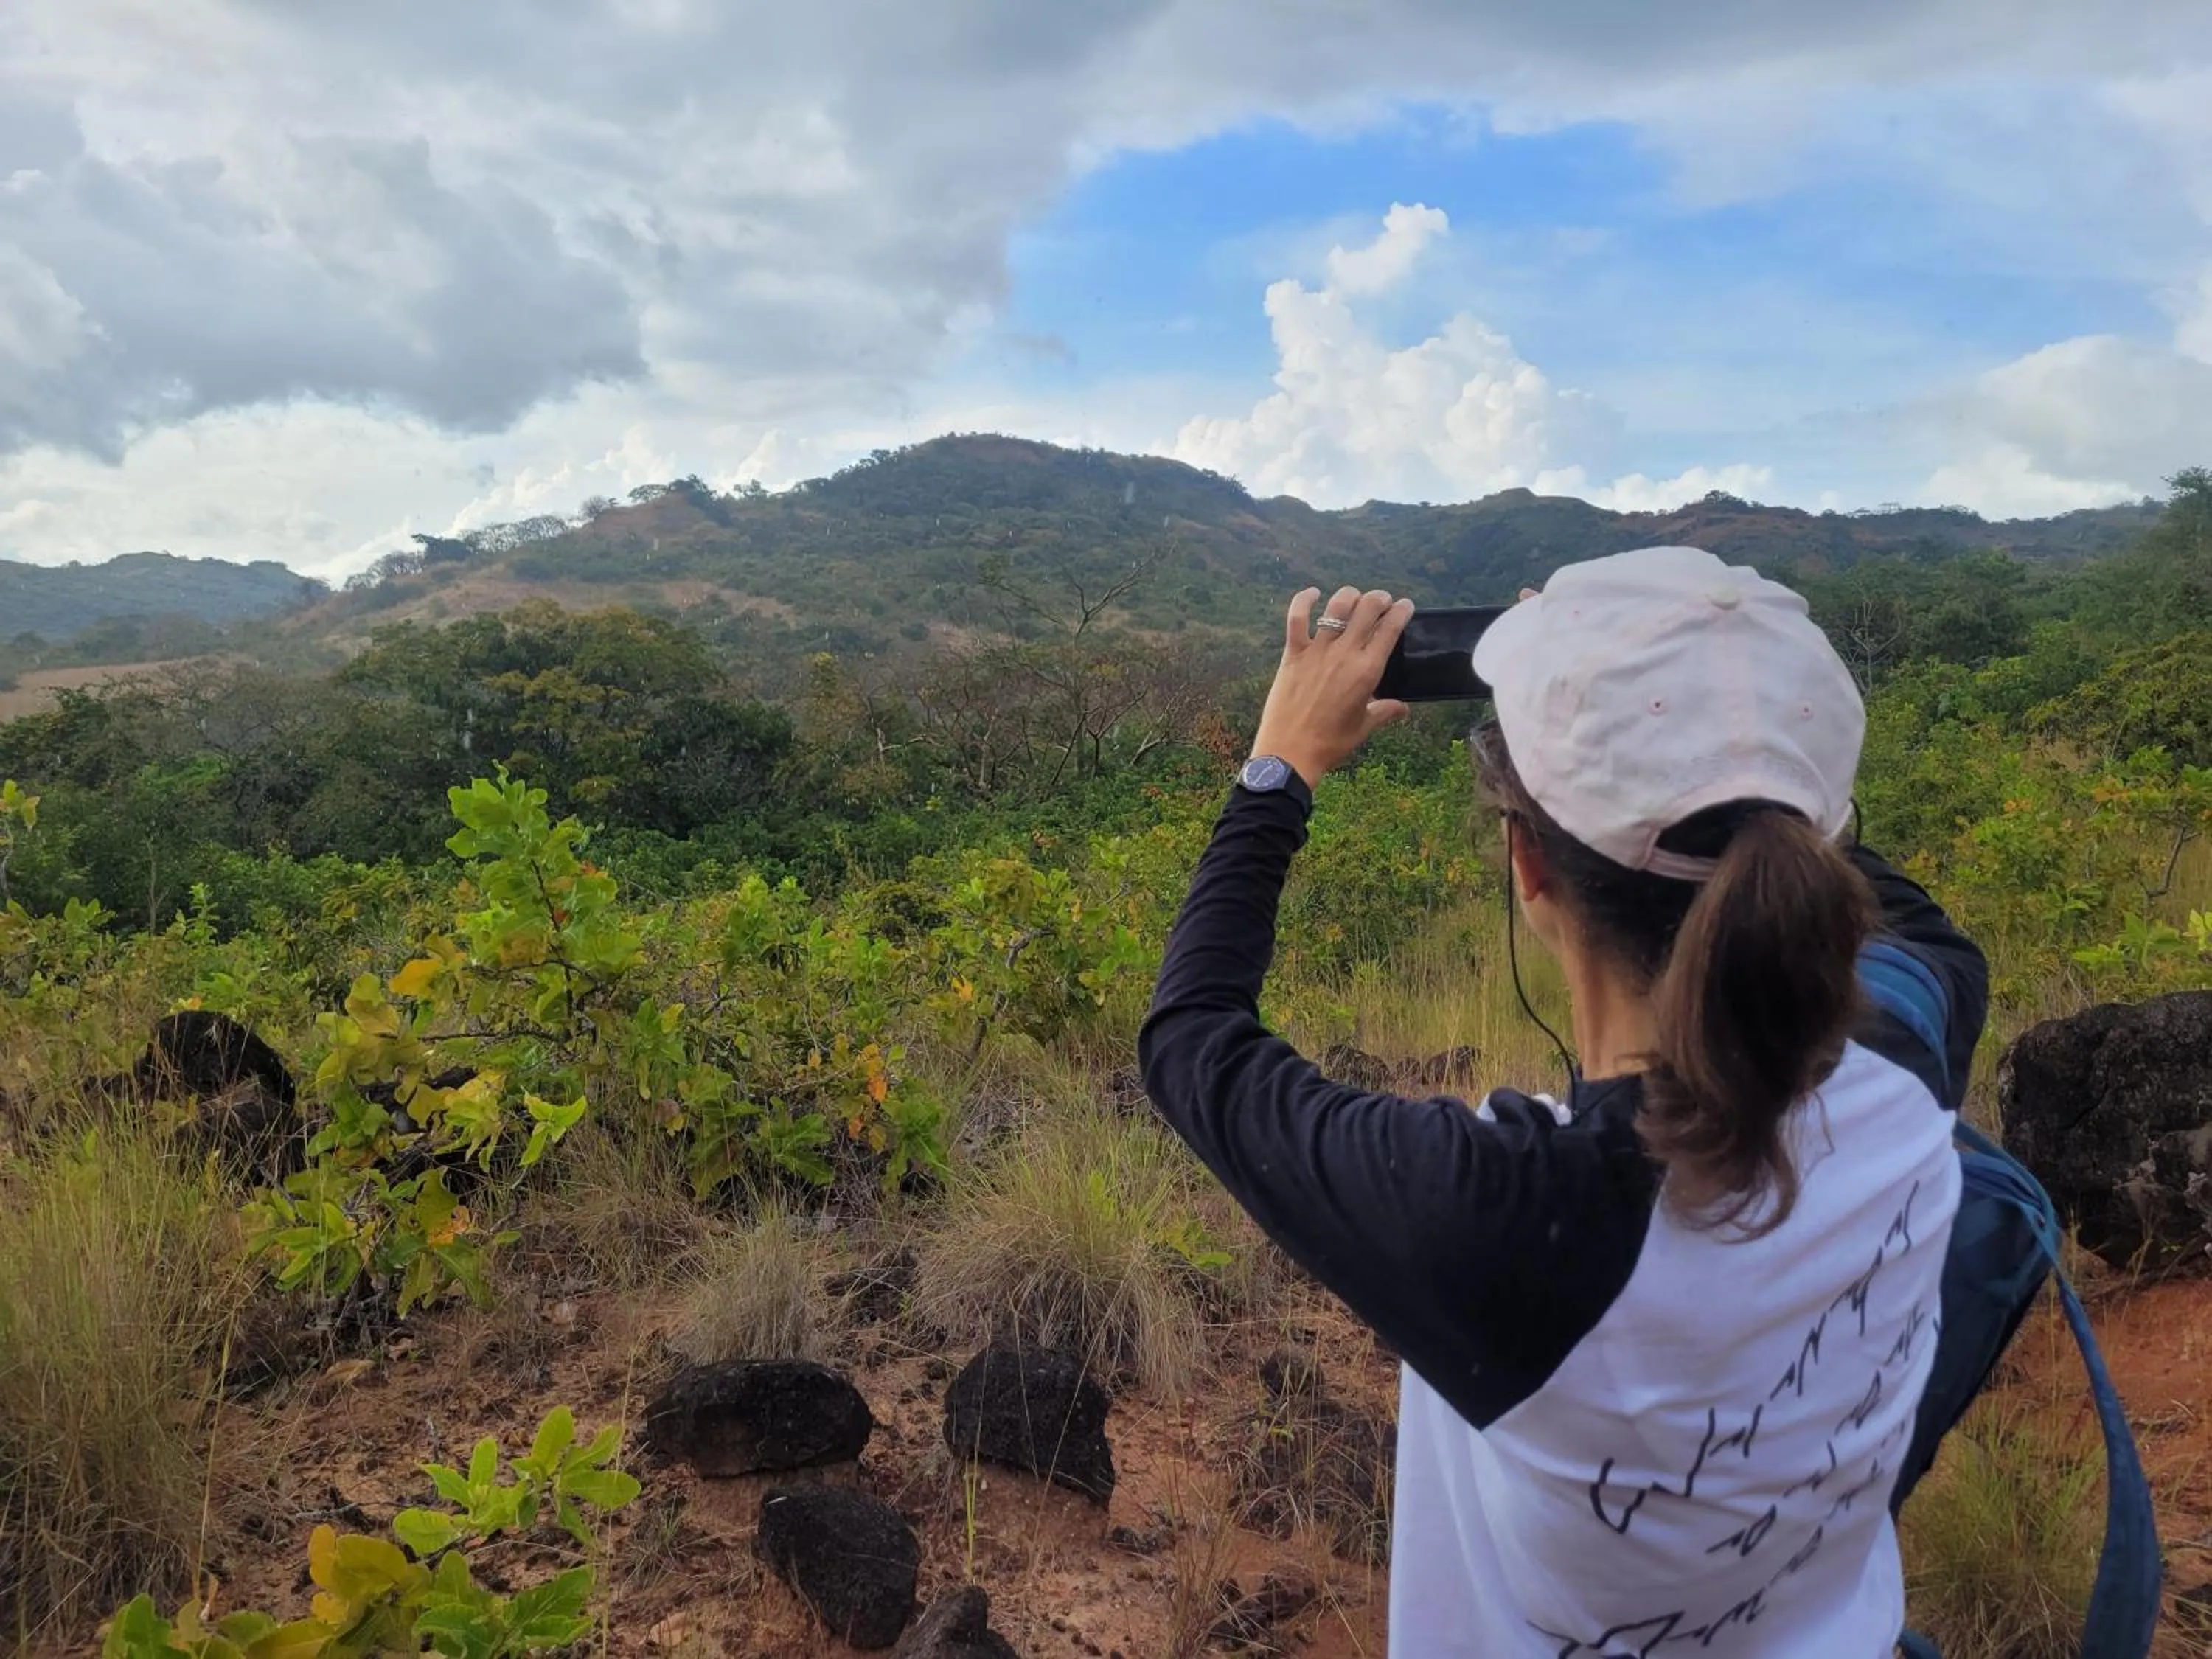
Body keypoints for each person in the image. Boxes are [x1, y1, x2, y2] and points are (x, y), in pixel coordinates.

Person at [1138, 547, 1989, 1657]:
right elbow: (1882, 900)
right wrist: (1705, 719)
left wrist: (1279, 765)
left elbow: (1192, 1037)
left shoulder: (1508, 1213)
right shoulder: (1907, 1069)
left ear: (1526, 864)